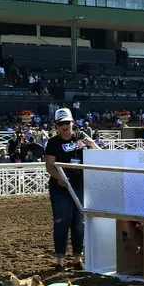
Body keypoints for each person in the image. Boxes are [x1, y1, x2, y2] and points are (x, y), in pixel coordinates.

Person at [43, 108, 98, 270]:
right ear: (56, 126)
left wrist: (92, 143)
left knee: (78, 223)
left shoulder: (82, 137)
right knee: (61, 222)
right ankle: (59, 261)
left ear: (73, 122)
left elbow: (99, 154)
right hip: (60, 188)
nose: (64, 126)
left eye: (67, 122)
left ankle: (77, 259)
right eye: (61, 124)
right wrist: (60, 178)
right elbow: (50, 166)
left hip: (80, 185)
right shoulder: (52, 143)